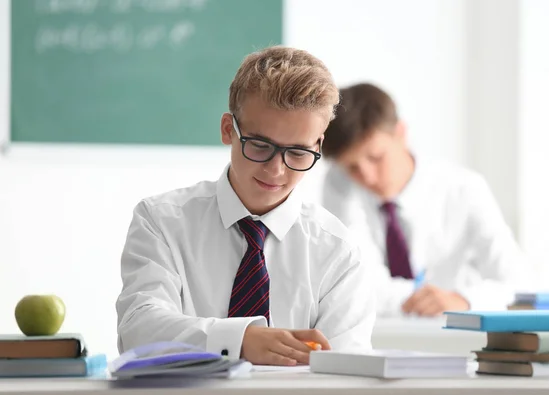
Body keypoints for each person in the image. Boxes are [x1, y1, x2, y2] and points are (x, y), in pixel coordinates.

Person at [115, 47, 375, 366]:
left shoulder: (338, 251)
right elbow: (138, 330)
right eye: (260, 145)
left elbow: (345, 371)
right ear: (228, 129)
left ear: (317, 145)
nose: (276, 169)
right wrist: (239, 341)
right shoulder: (161, 221)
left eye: (297, 152)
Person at [321, 83, 530, 317]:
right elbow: (358, 284)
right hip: (384, 332)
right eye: (352, 167)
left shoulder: (464, 188)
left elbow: (518, 283)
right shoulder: (339, 184)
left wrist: (464, 299)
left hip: (457, 332)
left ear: (401, 133)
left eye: (376, 157)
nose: (367, 176)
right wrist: (418, 299)